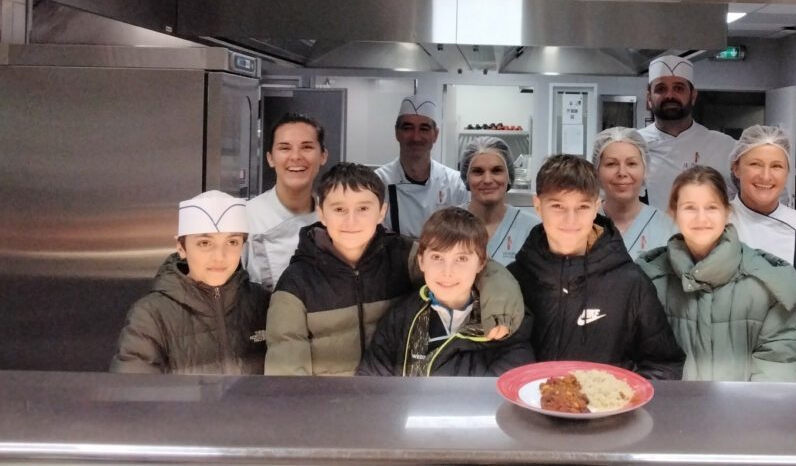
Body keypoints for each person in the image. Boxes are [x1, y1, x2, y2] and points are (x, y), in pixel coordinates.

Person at [265, 162, 523, 376]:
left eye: (363, 208)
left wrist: (500, 308)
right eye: (339, 209)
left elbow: (473, 270)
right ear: (321, 213)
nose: (351, 220)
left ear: (381, 212)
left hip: (386, 397)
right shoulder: (297, 283)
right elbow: (286, 374)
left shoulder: (403, 256)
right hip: (326, 409)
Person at [508, 154, 685, 380]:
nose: (570, 219)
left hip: (606, 413)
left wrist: (620, 398)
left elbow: (665, 364)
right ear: (537, 206)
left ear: (596, 208)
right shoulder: (515, 280)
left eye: (582, 207)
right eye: (557, 206)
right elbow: (495, 358)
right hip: (531, 408)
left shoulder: (630, 283)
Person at [638, 166, 796, 381]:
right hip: (669, 410)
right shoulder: (649, 278)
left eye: (711, 207)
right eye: (690, 208)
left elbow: (778, 362)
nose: (701, 218)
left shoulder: (766, 281)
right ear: (673, 212)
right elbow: (638, 357)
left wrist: (749, 412)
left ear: (727, 212)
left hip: (744, 412)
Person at [358, 208, 534, 377]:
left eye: (461, 259)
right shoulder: (401, 318)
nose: (447, 271)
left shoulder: (504, 326)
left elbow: (502, 394)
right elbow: (373, 384)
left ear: (481, 263)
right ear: (421, 261)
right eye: (437, 257)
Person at [111, 191, 269, 374]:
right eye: (205, 243)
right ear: (181, 247)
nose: (220, 256)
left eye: (232, 242)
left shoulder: (264, 304)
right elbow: (133, 393)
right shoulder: (151, 315)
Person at [728, 125, 796, 380]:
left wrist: (788, 377)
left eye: (777, 166)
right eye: (755, 164)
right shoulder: (713, 223)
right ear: (736, 168)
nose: (766, 176)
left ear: (788, 172)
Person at [639, 55, 737, 212]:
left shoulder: (725, 146)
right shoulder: (634, 145)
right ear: (649, 98)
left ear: (693, 96)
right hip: (650, 235)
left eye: (679, 88)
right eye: (661, 89)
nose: (670, 95)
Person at [243, 112, 329, 291]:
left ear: (323, 156)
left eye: (306, 147)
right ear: (270, 158)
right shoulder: (246, 217)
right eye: (284, 148)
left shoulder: (336, 218)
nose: (296, 156)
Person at [376, 95, 469, 238]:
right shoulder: (378, 182)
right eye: (408, 128)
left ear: (435, 135)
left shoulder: (455, 184)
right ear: (397, 133)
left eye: (424, 129)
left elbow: (463, 236)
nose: (416, 137)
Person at [592, 126, 677, 258]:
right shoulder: (583, 223)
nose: (622, 173)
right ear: (597, 171)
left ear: (645, 170)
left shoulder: (667, 229)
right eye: (611, 164)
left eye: (631, 163)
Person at [459, 136, 540, 265]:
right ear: (466, 177)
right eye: (478, 172)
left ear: (509, 176)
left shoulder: (532, 229)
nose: (487, 180)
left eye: (496, 171)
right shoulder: (447, 224)